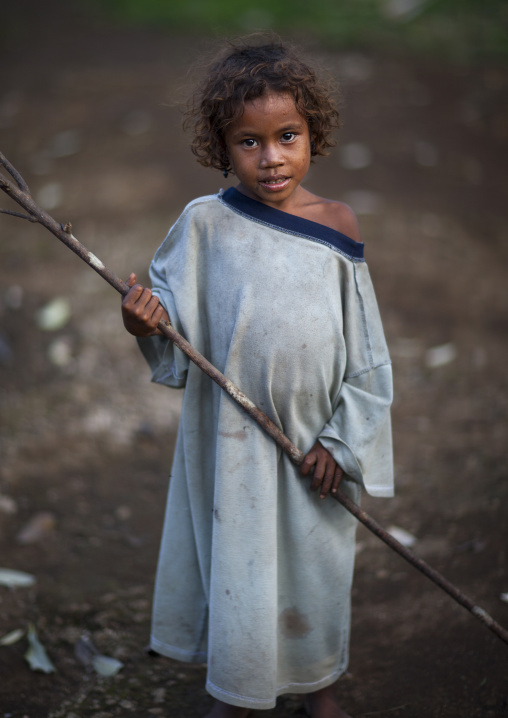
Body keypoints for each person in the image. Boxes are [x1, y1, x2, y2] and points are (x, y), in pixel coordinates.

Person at [121, 38, 393, 718]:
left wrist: (342, 442)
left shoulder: (337, 227)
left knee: (317, 569)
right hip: (236, 448)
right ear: (222, 146)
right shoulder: (203, 226)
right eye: (249, 141)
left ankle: (318, 686)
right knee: (242, 568)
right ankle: (241, 691)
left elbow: (367, 358)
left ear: (313, 133)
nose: (271, 157)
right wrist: (142, 323)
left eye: (287, 136)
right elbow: (173, 330)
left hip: (314, 451)